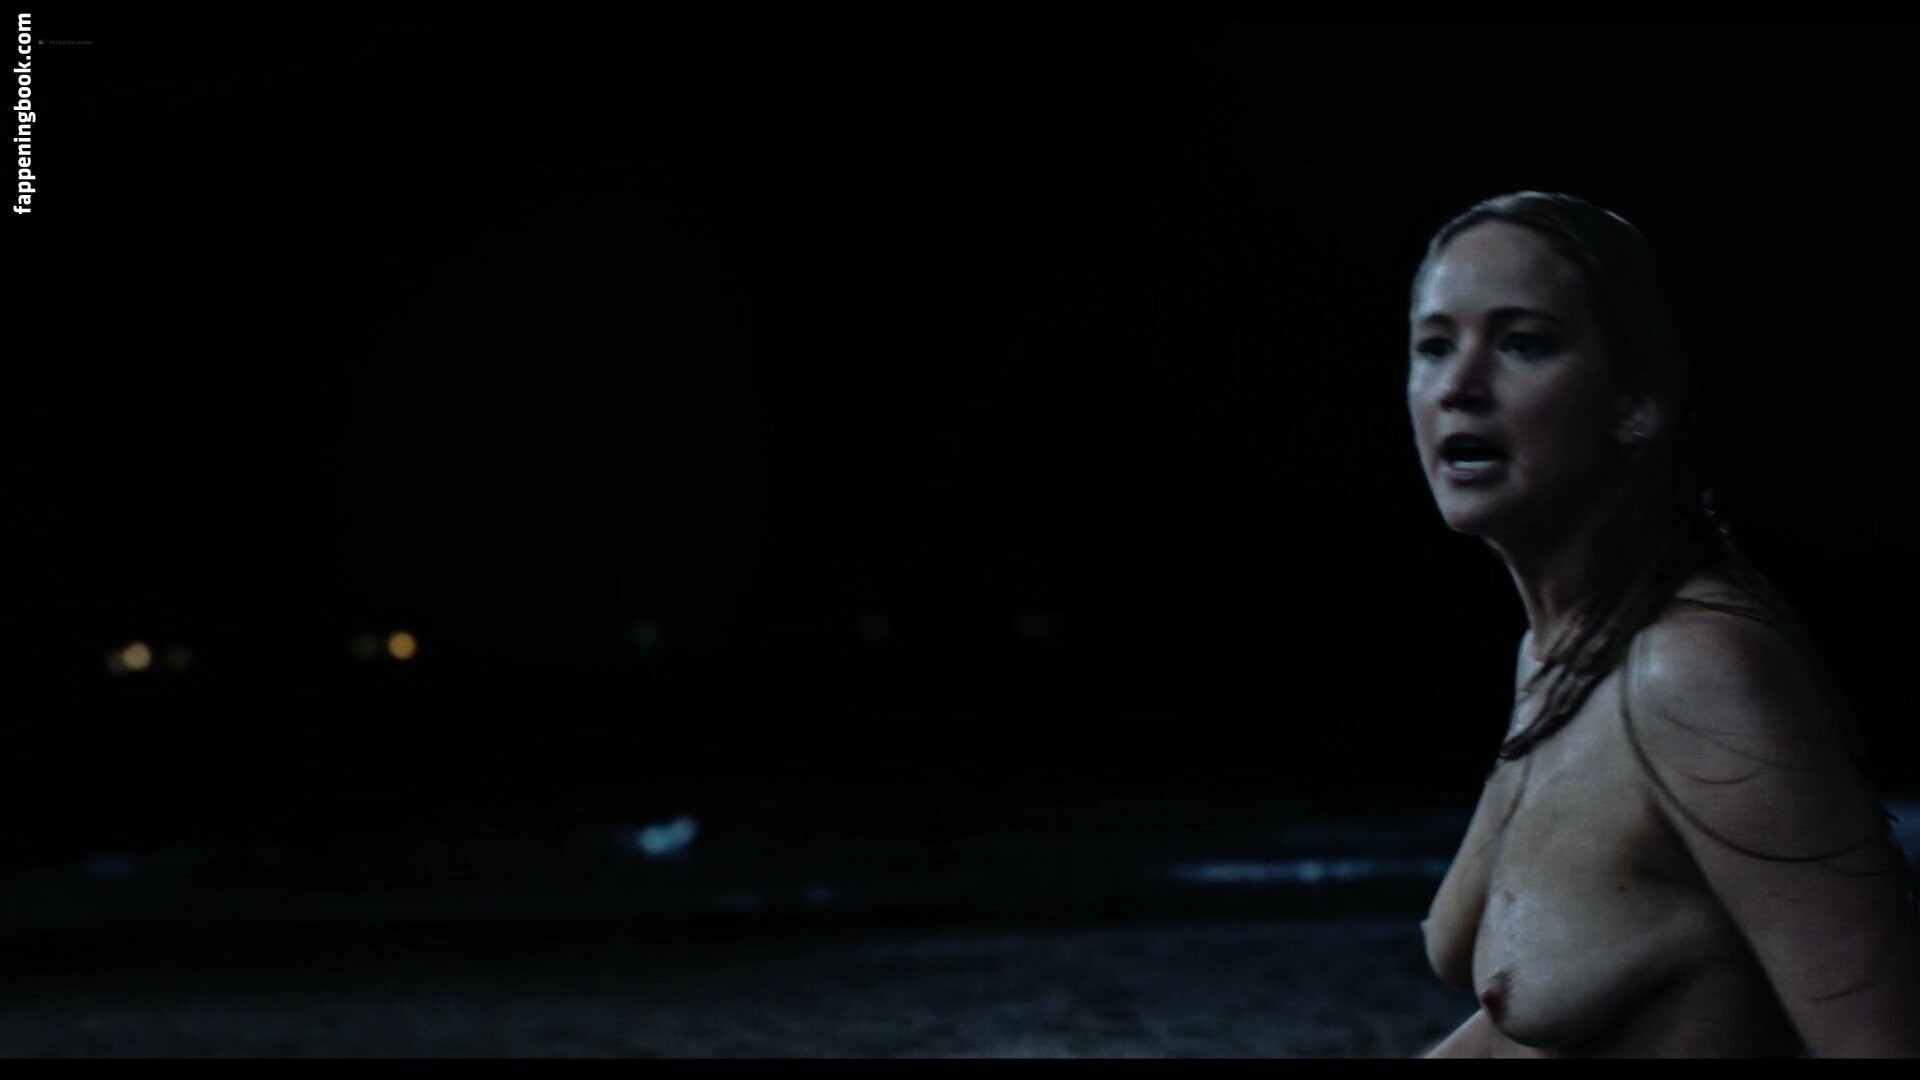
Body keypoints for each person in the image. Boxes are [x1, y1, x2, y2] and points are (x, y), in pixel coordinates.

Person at [1406, 192, 1919, 1057]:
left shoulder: (1695, 673)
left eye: (1523, 343)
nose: (1458, 386)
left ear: (1635, 401)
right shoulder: (1561, 653)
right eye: (1434, 346)